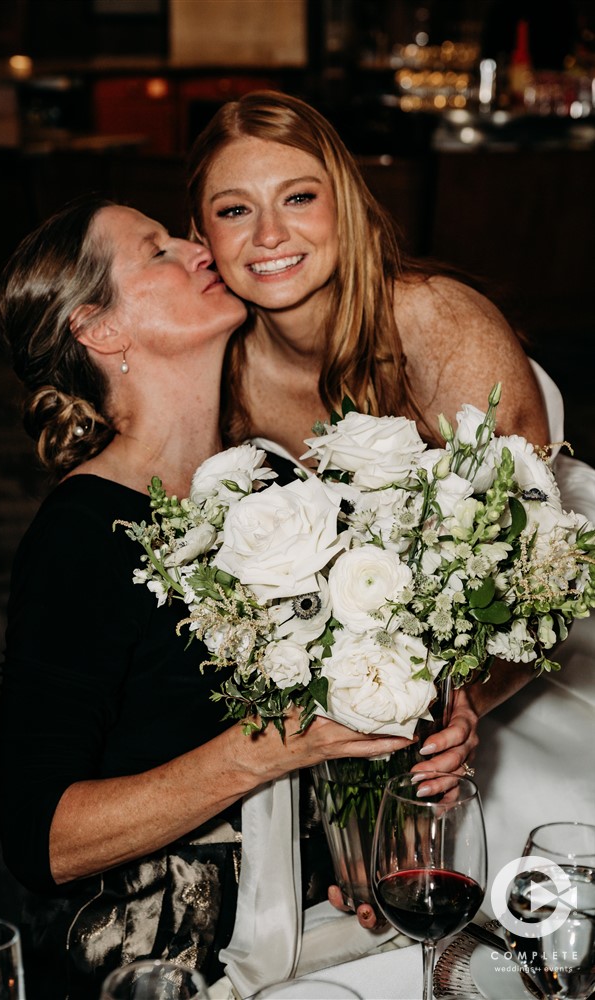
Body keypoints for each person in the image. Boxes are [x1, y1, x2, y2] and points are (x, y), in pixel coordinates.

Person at [0, 197, 417, 999]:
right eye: (155, 251)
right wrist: (274, 746)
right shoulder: (81, 536)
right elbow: (40, 840)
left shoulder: (279, 480)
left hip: (323, 921)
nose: (197, 248)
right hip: (168, 958)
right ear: (101, 329)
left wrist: (356, 841)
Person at [185, 90, 570, 923]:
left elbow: (534, 575)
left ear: (346, 204)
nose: (270, 236)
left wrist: (450, 714)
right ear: (202, 236)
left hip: (507, 668)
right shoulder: (213, 370)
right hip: (331, 706)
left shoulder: (438, 326)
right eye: (233, 210)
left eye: (298, 197)